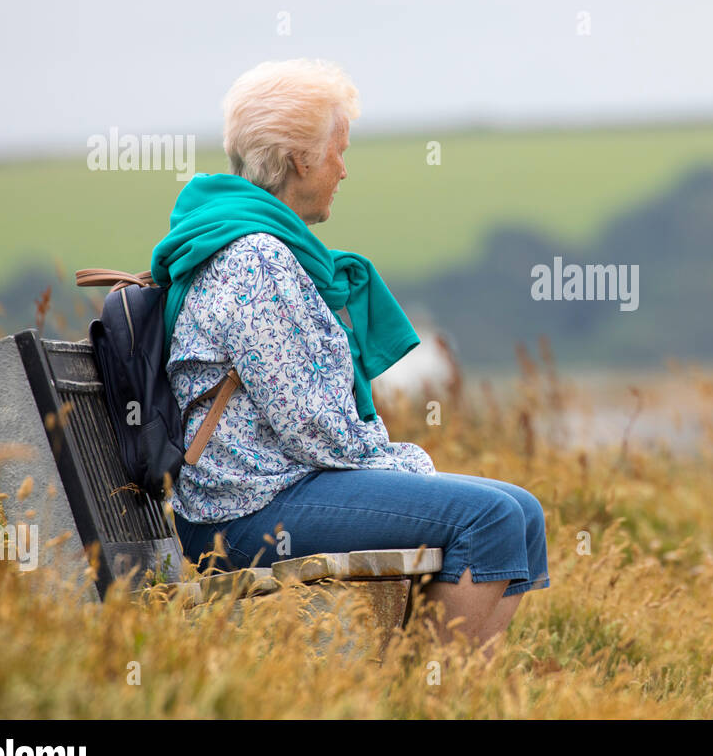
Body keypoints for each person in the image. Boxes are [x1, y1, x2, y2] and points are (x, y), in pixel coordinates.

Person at [151, 59, 549, 652]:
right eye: (337, 151)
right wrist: (404, 462)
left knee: (523, 511)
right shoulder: (257, 259)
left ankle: (455, 696)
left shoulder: (257, 244)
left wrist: (391, 461)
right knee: (488, 518)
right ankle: (429, 703)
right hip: (243, 509)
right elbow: (310, 424)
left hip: (276, 487)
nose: (344, 169)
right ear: (299, 160)